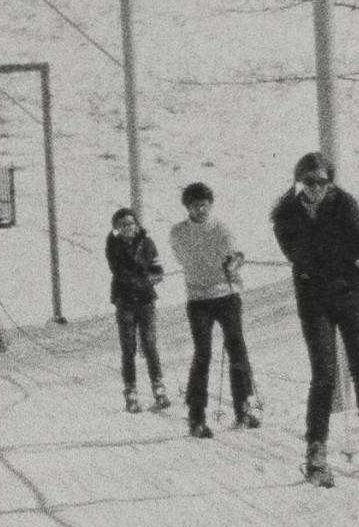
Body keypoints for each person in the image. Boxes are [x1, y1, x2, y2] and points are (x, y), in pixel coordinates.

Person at [270, 150, 359, 486]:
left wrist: (330, 257)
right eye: (309, 182)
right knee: (324, 371)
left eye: (322, 182)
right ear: (300, 182)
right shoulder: (286, 214)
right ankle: (316, 446)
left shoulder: (345, 204)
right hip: (314, 298)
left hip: (351, 293)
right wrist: (331, 254)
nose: (315, 188)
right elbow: (297, 255)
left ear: (331, 181)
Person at [167, 182, 258, 439]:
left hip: (227, 295)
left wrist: (235, 262)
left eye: (204, 205)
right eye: (196, 206)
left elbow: (236, 255)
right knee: (203, 353)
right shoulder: (178, 232)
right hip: (198, 299)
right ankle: (196, 416)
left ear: (210, 204)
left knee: (237, 347)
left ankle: (243, 406)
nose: (201, 210)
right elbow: (183, 258)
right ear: (188, 207)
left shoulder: (221, 229)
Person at [105, 207, 171, 412]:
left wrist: (153, 278)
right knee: (129, 347)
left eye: (131, 223)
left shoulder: (147, 243)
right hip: (124, 300)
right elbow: (119, 271)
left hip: (145, 301)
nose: (128, 228)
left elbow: (158, 270)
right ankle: (131, 390)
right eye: (123, 225)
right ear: (116, 228)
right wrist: (141, 280)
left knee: (150, 344)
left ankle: (158, 387)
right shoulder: (113, 246)